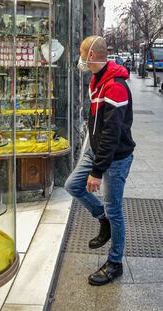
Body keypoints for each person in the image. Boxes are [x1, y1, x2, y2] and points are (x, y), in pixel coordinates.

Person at [65, 35, 136, 286]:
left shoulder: (115, 86)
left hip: (115, 157)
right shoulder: (97, 79)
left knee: (115, 208)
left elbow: (112, 133)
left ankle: (115, 263)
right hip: (96, 150)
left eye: (82, 53)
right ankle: (101, 218)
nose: (80, 58)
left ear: (92, 56)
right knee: (72, 186)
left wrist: (96, 171)